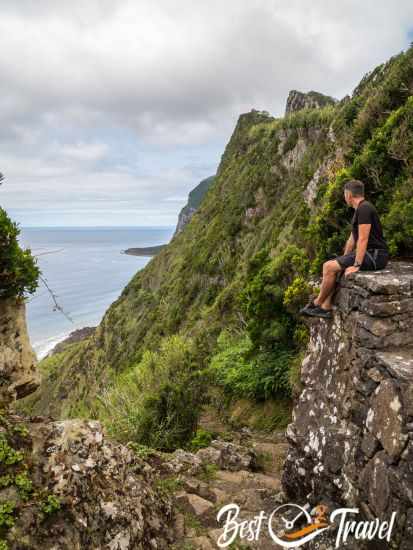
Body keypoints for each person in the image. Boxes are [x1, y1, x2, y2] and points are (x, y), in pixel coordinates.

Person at [301, 179, 390, 319]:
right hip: (370, 253)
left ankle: (317, 303)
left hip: (375, 255)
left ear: (349, 195)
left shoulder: (365, 208)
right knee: (334, 267)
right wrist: (342, 260)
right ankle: (326, 306)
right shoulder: (359, 210)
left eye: (344, 194)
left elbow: (363, 238)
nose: (344, 197)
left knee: (327, 267)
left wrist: (356, 265)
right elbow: (352, 239)